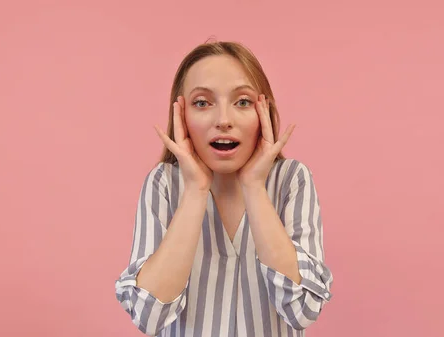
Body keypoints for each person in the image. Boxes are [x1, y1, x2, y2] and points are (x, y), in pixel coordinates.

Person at [114, 40, 333, 336]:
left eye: (242, 102)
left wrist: (254, 185)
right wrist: (195, 190)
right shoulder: (164, 184)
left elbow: (303, 308)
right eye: (202, 103)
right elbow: (148, 315)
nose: (223, 121)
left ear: (263, 113)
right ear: (181, 117)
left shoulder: (292, 180)